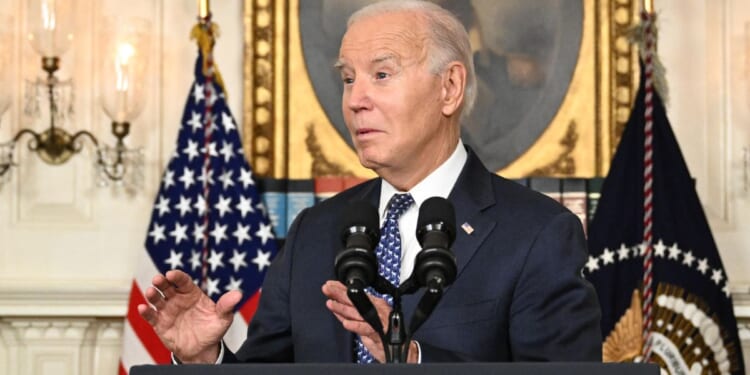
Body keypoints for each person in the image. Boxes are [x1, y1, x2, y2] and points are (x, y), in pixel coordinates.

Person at [138, 0, 602, 364]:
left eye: (381, 75)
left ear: (450, 88)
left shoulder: (539, 234)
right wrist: (205, 357)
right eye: (347, 78)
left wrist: (411, 358)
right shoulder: (313, 234)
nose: (356, 99)